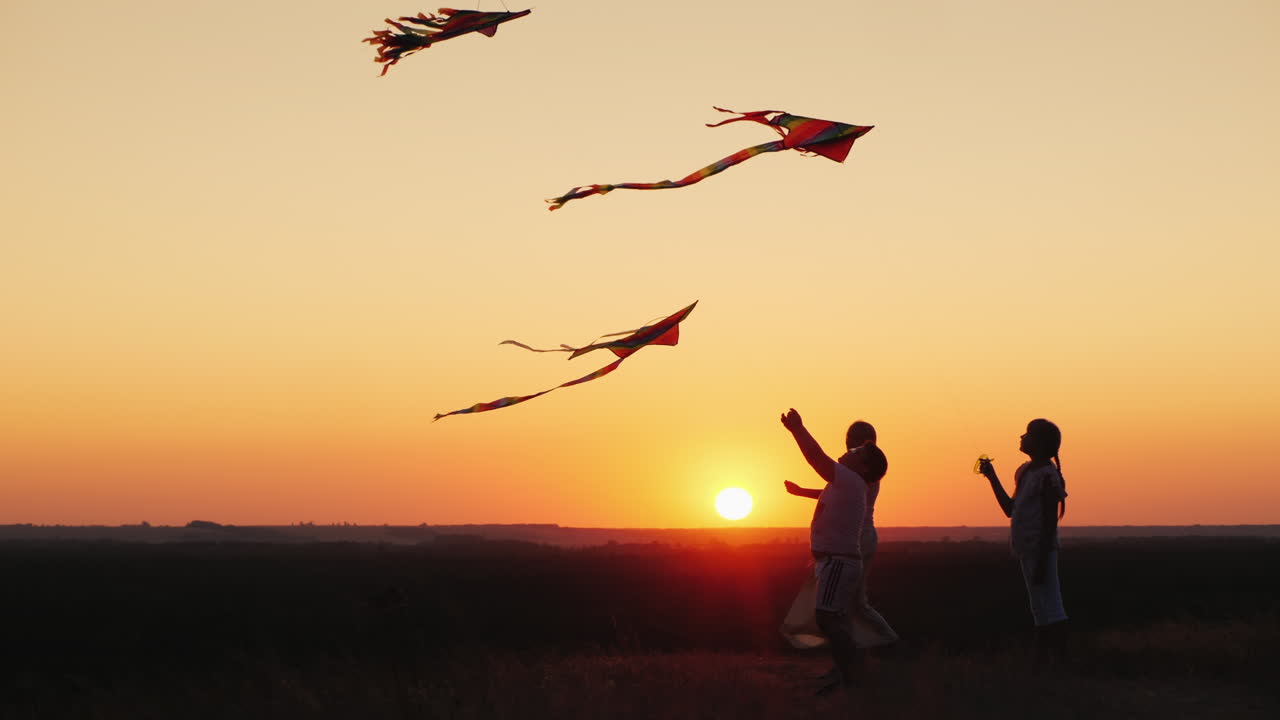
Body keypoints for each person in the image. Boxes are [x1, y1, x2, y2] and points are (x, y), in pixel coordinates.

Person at [780, 408, 889, 694]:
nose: (848, 449)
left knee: (832, 618)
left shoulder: (852, 480)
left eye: (856, 449)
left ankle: (855, 675)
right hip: (833, 561)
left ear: (863, 467)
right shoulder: (849, 482)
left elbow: (816, 457)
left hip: (839, 562)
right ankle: (850, 675)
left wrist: (797, 430)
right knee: (834, 618)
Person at [976, 418, 1069, 660]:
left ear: (1038, 443)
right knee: (1040, 607)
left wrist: (1041, 559)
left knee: (1051, 607)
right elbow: (1010, 509)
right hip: (1028, 549)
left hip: (1041, 551)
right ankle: (1048, 662)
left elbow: (1050, 523)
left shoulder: (1048, 476)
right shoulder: (1025, 472)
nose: (1022, 437)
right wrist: (992, 477)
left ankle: (1054, 660)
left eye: (1027, 434)